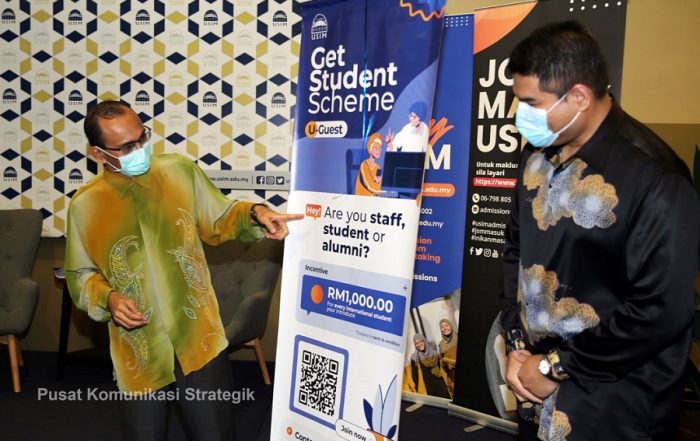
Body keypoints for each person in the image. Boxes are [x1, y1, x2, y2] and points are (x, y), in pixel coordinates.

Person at [500, 21, 700, 441]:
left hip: (611, 405)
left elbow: (660, 310)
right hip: (533, 390)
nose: (521, 117)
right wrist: (517, 343)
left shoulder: (655, 179)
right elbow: (514, 250)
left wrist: (555, 366)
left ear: (578, 96)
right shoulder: (535, 156)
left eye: (531, 103)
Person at [64, 100, 303, 441]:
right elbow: (80, 275)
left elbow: (220, 217)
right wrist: (109, 298)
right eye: (127, 147)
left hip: (198, 339)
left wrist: (256, 213)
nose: (139, 150)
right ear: (98, 153)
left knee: (215, 434)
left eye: (142, 137)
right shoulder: (85, 206)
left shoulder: (179, 171)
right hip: (140, 352)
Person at [406, 333, 451, 399]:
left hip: (440, 384)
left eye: (420, 341)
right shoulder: (414, 358)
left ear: (424, 340)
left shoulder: (434, 353)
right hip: (428, 388)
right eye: (416, 343)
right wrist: (417, 391)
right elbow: (415, 376)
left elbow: (441, 368)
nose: (419, 344)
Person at [437, 318, 458, 396]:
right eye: (442, 327)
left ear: (451, 326)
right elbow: (442, 363)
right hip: (452, 377)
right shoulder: (441, 344)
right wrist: (446, 363)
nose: (445, 328)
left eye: (446, 325)